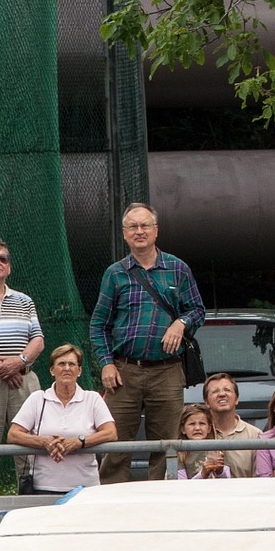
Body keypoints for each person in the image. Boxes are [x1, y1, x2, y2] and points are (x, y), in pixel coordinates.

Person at [89, 201, 205, 483]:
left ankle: (161, 506)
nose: (139, 231)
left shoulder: (178, 268)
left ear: (156, 231)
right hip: (123, 372)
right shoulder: (115, 273)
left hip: (167, 370)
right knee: (116, 446)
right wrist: (106, 364)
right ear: (125, 234)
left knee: (167, 446)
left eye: (145, 226)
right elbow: (98, 324)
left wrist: (181, 322)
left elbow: (198, 310)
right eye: (133, 227)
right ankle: (110, 505)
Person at [0, 236, 45, 491]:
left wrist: (20, 361)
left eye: (3, 258)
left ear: (9, 267)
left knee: (30, 447)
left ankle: (32, 509)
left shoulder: (24, 300)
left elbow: (38, 339)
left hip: (24, 381)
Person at [8, 344, 117, 494]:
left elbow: (111, 433)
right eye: (61, 364)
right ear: (52, 370)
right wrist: (44, 442)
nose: (67, 368)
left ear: (79, 371)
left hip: (87, 489)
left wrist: (79, 442)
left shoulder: (92, 399)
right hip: (43, 487)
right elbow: (13, 434)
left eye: (72, 364)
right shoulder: (38, 399)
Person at [204, 372, 261, 477]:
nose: (222, 394)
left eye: (227, 390)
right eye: (215, 391)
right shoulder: (198, 434)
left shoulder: (255, 435)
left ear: (237, 399)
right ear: (206, 402)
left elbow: (260, 479)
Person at [176, 404, 231, 479]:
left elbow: (228, 482)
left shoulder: (218, 449)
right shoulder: (179, 455)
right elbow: (181, 486)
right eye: (192, 424)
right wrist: (203, 474)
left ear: (209, 428)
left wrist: (220, 471)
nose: (197, 428)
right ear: (183, 429)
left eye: (202, 424)